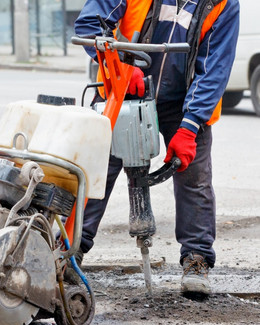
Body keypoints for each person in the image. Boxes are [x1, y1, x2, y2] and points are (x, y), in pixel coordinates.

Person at [74, 0, 240, 295]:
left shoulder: (223, 4)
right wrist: (123, 64)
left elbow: (215, 67)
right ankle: (70, 252)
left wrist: (190, 127)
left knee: (194, 177)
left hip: (183, 101)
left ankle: (196, 259)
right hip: (125, 88)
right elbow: (90, 25)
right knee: (96, 170)